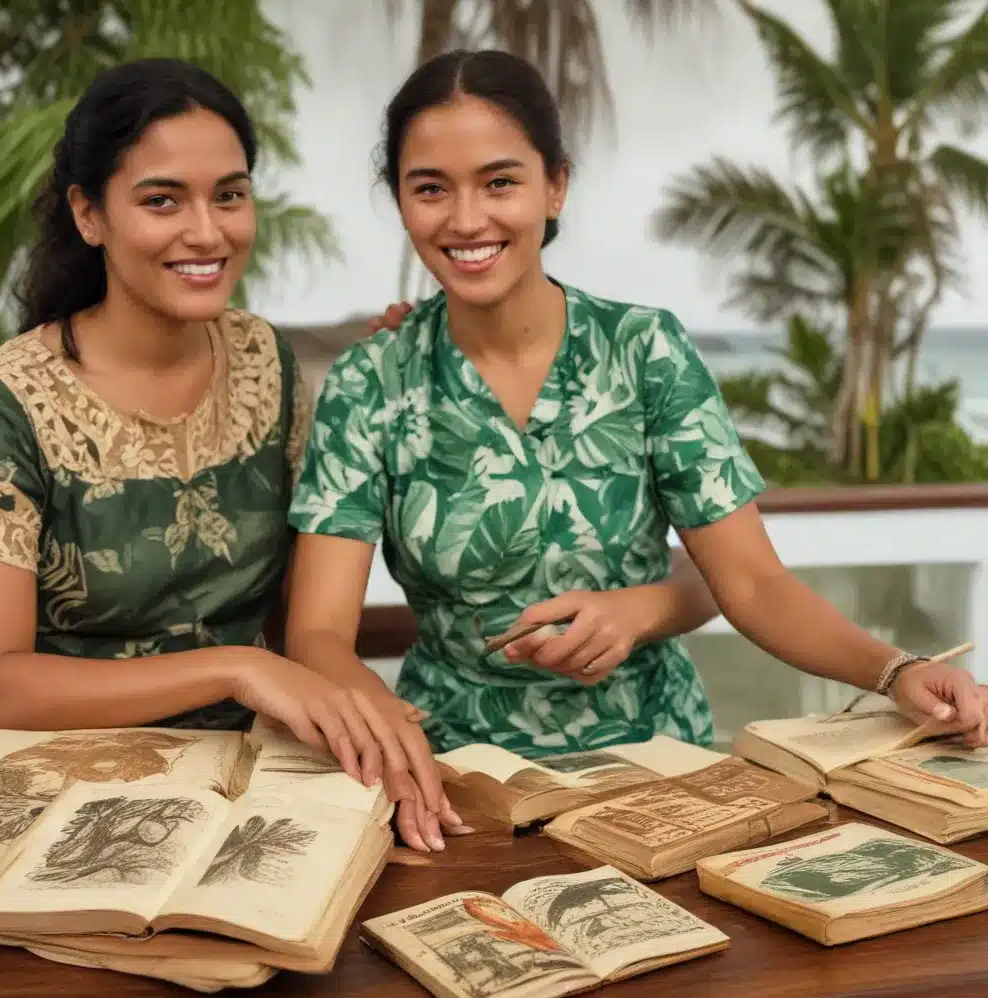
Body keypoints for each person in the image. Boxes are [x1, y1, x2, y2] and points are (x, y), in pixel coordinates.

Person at [285, 48, 987, 852]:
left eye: (500, 181)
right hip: (454, 787)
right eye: (431, 188)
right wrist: (378, 724)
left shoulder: (646, 350)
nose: (467, 218)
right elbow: (317, 635)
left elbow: (751, 582)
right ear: (401, 203)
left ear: (556, 185)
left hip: (660, 772)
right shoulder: (371, 380)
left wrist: (894, 673)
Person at [0, 58, 430, 805]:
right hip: (57, 791)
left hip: (258, 779)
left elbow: (303, 614)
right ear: (89, 215)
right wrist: (238, 668)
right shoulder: (1, 406)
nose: (207, 232)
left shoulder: (264, 361)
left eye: (230, 196)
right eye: (162, 200)